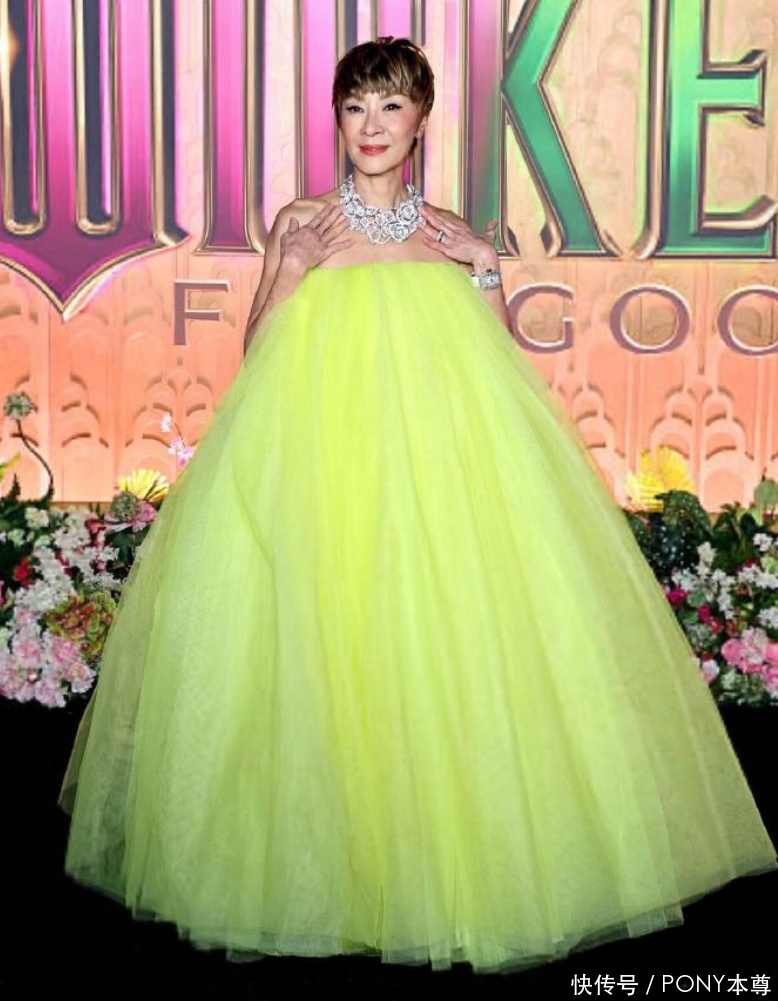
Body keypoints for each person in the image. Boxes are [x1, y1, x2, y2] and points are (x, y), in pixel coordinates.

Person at [57, 36, 777, 976]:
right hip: (316, 465)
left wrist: (485, 264)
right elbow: (256, 351)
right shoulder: (303, 221)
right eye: (357, 106)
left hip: (432, 478)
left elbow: (493, 363)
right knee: (316, 657)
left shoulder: (444, 229)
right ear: (338, 118)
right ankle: (327, 875)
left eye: (391, 106)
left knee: (432, 657)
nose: (372, 125)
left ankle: (437, 877)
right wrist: (292, 267)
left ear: (421, 121)